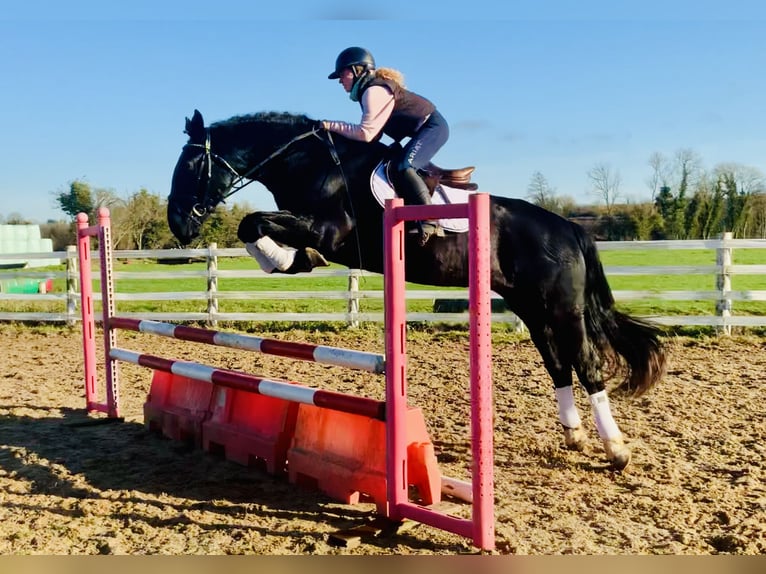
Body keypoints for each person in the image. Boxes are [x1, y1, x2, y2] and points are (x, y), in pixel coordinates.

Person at [320, 46, 448, 246]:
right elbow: (374, 136)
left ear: (357, 70)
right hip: (423, 130)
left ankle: (430, 219)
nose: (340, 80)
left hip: (433, 127)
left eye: (342, 73)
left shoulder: (374, 90)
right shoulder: (368, 92)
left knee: (404, 166)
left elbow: (366, 133)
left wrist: (330, 125)